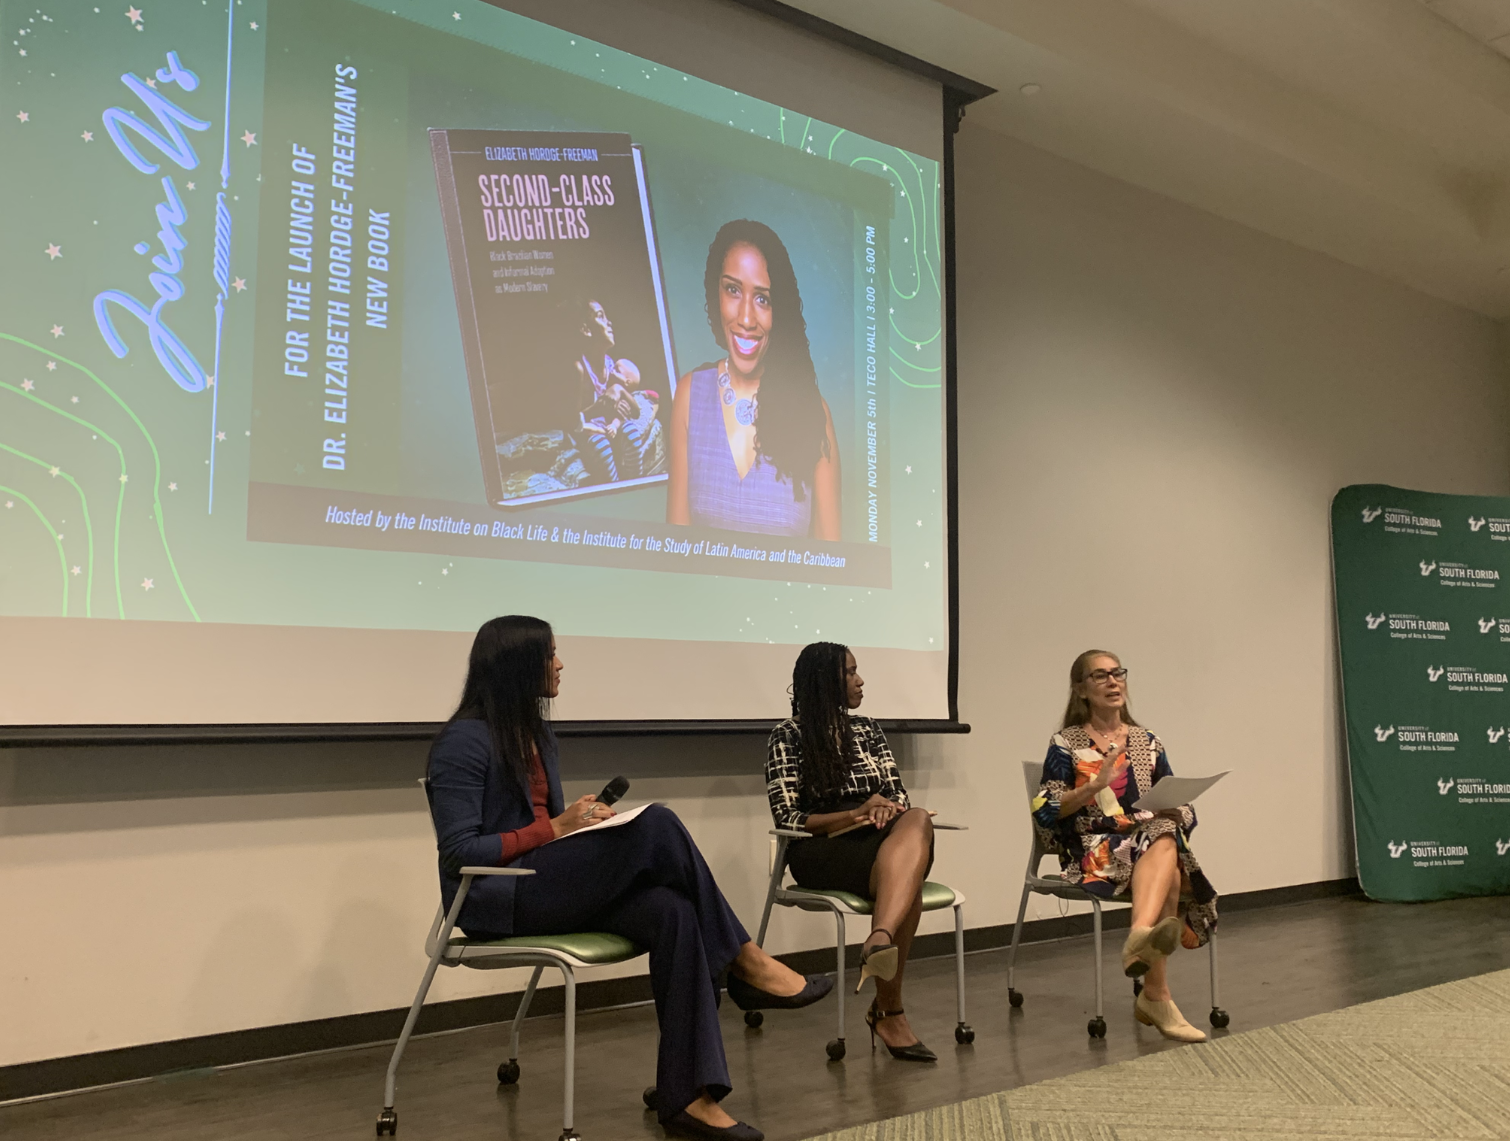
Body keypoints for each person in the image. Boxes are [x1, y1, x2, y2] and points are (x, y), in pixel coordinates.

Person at [427, 616, 833, 1141]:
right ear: (518, 666)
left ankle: (688, 1099)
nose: (560, 664)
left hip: (542, 884)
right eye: (550, 654)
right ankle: (745, 958)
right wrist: (553, 827)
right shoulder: (462, 742)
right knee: (658, 822)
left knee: (674, 911)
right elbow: (458, 854)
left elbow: (550, 833)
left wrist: (581, 823)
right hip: (494, 899)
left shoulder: (536, 735)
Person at [1030, 650, 1219, 1043]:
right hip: (1093, 849)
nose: (1113, 682)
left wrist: (1176, 807)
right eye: (1100, 676)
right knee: (1166, 862)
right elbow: (1046, 811)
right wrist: (1095, 785)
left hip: (1148, 843)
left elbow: (1184, 808)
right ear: (1081, 689)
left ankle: (1139, 940)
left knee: (1165, 832)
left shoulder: (1147, 741)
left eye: (1118, 673)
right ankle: (1155, 994)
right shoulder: (1066, 742)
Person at [765, 642, 938, 1061]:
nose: (860, 681)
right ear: (826, 682)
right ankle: (888, 1012)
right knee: (906, 886)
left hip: (879, 837)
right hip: (822, 849)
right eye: (850, 673)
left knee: (916, 817)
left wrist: (883, 808)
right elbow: (787, 818)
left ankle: (879, 939)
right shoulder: (787, 736)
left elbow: (898, 794)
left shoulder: (868, 729)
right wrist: (854, 815)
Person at [667, 220, 841, 539]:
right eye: (733, 290)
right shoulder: (689, 396)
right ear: (714, 291)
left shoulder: (813, 414)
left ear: (781, 311)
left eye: (763, 299)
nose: (746, 318)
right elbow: (675, 557)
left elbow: (832, 573)